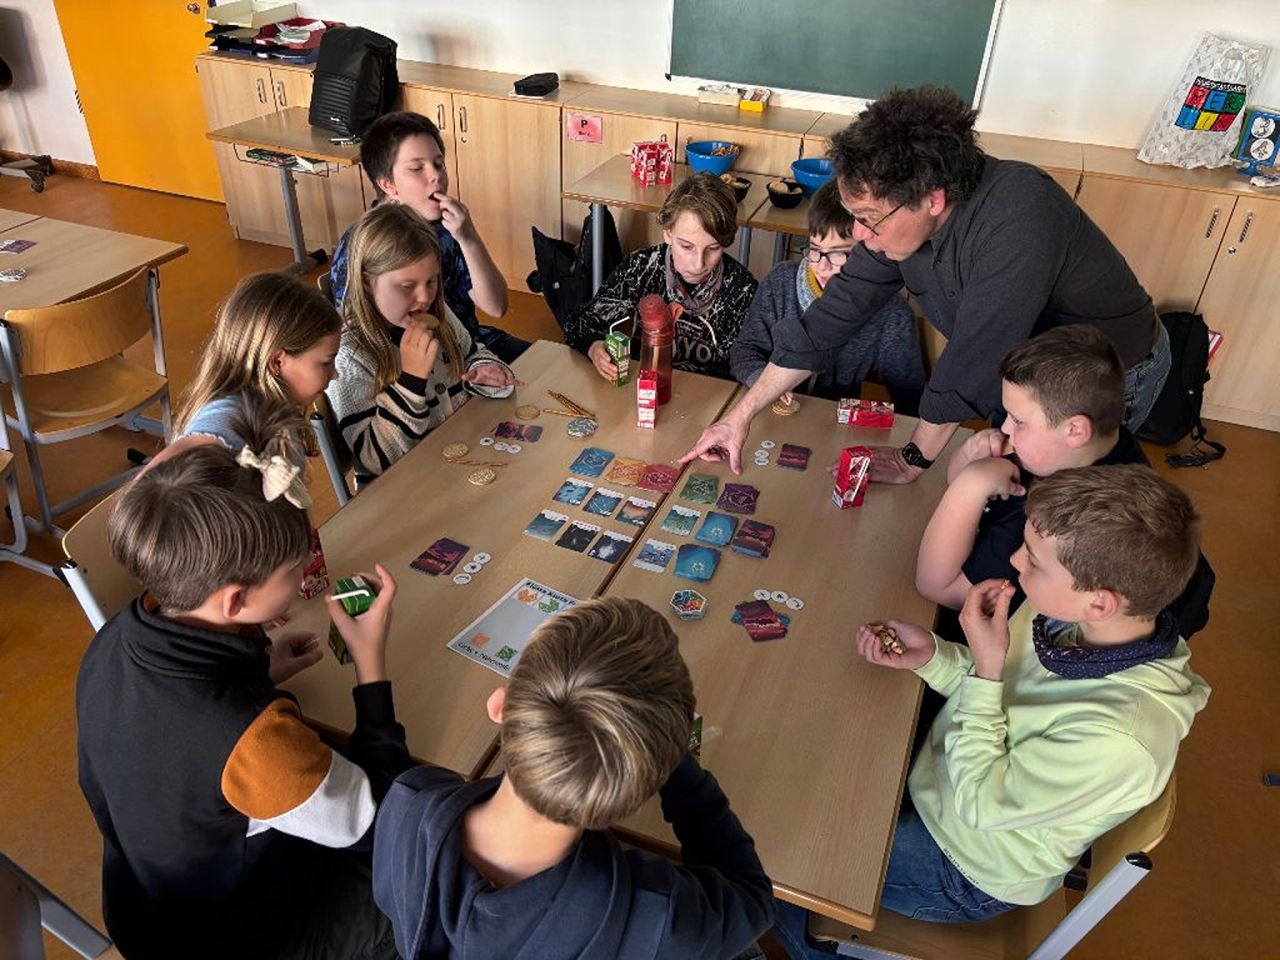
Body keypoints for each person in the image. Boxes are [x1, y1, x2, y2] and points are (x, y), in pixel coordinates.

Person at [771, 465, 1209, 956]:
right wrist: (936, 656)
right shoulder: (1065, 617)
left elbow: (980, 801)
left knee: (771, 856)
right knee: (805, 763)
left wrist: (984, 670)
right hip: (938, 784)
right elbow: (1004, 701)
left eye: (1035, 561)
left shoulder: (1121, 739)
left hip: (964, 867)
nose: (1016, 560)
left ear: (1100, 603)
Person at [680, 86, 1171, 481]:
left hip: (1108, 373)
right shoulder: (898, 222)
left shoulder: (1020, 217)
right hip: (1027, 372)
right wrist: (737, 418)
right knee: (1010, 489)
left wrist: (914, 458)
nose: (861, 235)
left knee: (1063, 506)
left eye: (869, 219)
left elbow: (975, 359)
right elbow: (830, 318)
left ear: (932, 199)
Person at [76, 436, 411, 960]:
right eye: (291, 572)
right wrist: (370, 666)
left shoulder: (113, 640)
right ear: (234, 600)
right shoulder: (255, 743)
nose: (303, 575)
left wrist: (261, 668)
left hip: (142, 902)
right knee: (424, 885)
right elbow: (377, 818)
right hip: (232, 937)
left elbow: (167, 732)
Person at [373, 597, 776, 959]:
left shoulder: (408, 800)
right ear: (648, 782)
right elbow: (752, 897)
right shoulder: (656, 915)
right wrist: (678, 768)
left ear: (500, 706)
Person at [917, 325, 1214, 638]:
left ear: (1075, 431)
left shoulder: (1063, 519)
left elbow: (941, 589)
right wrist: (967, 460)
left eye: (1018, 421)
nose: (1005, 429)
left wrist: (972, 483)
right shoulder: (1082, 444)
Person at [327, 202, 520, 487]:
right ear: (367, 283)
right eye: (407, 286)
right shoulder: (349, 356)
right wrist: (411, 381)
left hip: (459, 462)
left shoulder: (437, 313)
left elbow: (472, 355)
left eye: (431, 281)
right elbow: (374, 460)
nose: (424, 297)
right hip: (403, 492)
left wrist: (485, 370)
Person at [329, 110, 529, 363]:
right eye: (416, 168)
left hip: (472, 346)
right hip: (418, 364)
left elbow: (496, 307)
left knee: (556, 367)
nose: (436, 176)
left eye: (438, 164)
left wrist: (468, 238)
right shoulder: (363, 245)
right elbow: (357, 343)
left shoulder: (446, 226)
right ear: (387, 184)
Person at [730, 180, 924, 410]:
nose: (822, 266)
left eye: (839, 254)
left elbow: (911, 400)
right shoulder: (781, 282)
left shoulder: (891, 314)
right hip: (768, 412)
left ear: (870, 256)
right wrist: (765, 385)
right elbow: (744, 350)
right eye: (815, 250)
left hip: (831, 423)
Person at [562, 173, 758, 382]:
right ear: (667, 233)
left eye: (713, 248)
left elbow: (754, 362)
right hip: (645, 389)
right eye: (686, 246)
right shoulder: (641, 268)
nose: (698, 264)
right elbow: (578, 323)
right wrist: (593, 346)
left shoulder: (742, 289)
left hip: (710, 401)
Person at [169, 271, 341, 497]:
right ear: (277, 361)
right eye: (327, 362)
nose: (335, 374)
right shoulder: (229, 418)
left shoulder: (276, 404)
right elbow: (164, 478)